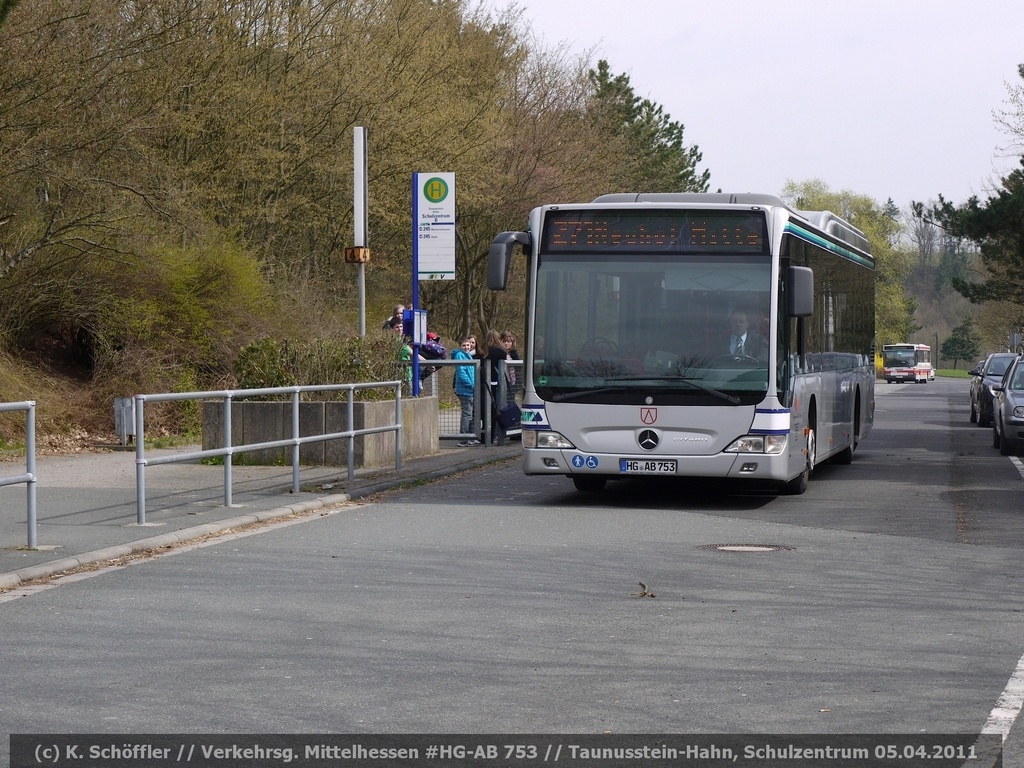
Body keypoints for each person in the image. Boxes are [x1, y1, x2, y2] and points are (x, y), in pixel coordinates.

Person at [452, 338, 480, 446]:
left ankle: (470, 437)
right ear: (460, 346)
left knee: (470, 414)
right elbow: (462, 373)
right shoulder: (460, 355)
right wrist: (472, 385)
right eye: (464, 345)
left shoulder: (467, 355)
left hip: (469, 389)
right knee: (467, 414)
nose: (467, 347)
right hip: (465, 389)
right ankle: (464, 438)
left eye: (468, 345)